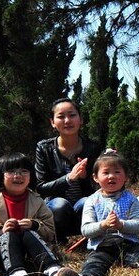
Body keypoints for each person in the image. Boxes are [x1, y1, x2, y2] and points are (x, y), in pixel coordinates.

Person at [0, 153, 64, 276]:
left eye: (24, 171)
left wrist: (35, 225)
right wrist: (0, 231)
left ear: (31, 175)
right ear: (0, 176)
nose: (18, 175)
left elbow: (51, 233)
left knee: (28, 232)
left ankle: (52, 268)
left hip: (30, 253)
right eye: (11, 171)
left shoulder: (37, 201)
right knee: (9, 235)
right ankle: (17, 274)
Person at [34, 97, 105, 239]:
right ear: (53, 122)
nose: (67, 121)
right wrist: (68, 179)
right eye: (61, 116)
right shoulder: (44, 148)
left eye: (72, 115)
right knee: (61, 205)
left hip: (83, 207)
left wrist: (85, 177)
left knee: (87, 202)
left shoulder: (93, 148)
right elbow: (40, 187)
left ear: (81, 119)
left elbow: (100, 188)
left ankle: (87, 236)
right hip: (56, 207)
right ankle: (58, 239)